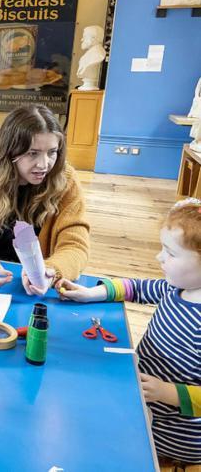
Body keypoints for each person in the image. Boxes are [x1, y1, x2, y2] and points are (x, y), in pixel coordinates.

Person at [59, 200, 200, 466]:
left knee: (87, 433)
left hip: (172, 431)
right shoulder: (177, 288)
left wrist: (167, 392)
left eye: (170, 253)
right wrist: (91, 293)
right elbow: (136, 287)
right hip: (142, 395)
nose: (159, 257)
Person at [0, 104, 89, 294]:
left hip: (36, 291)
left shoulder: (66, 180)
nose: (44, 164)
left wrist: (50, 271)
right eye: (32, 153)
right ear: (11, 151)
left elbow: (76, 246)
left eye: (52, 152)